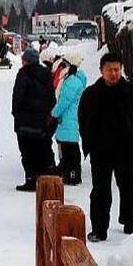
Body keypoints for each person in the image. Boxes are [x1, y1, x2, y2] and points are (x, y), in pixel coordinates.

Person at [78, 53, 133, 242]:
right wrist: (88, 139)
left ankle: (129, 221)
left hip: (126, 151)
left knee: (128, 188)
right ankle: (99, 228)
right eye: (110, 70)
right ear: (101, 71)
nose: (114, 73)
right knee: (100, 191)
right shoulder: (92, 94)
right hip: (100, 151)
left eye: (117, 69)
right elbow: (83, 118)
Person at [12, 47, 57, 192]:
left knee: (27, 151)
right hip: (42, 120)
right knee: (43, 148)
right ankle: (48, 180)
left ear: (26, 61)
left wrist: (16, 114)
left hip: (25, 121)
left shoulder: (23, 74)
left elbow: (17, 97)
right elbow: (51, 97)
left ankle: (31, 180)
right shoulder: (47, 74)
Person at [50, 52, 87, 186]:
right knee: (68, 148)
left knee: (70, 148)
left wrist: (54, 113)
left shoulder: (72, 81)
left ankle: (73, 174)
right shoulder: (72, 79)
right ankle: (69, 172)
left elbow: (64, 101)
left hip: (68, 118)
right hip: (68, 119)